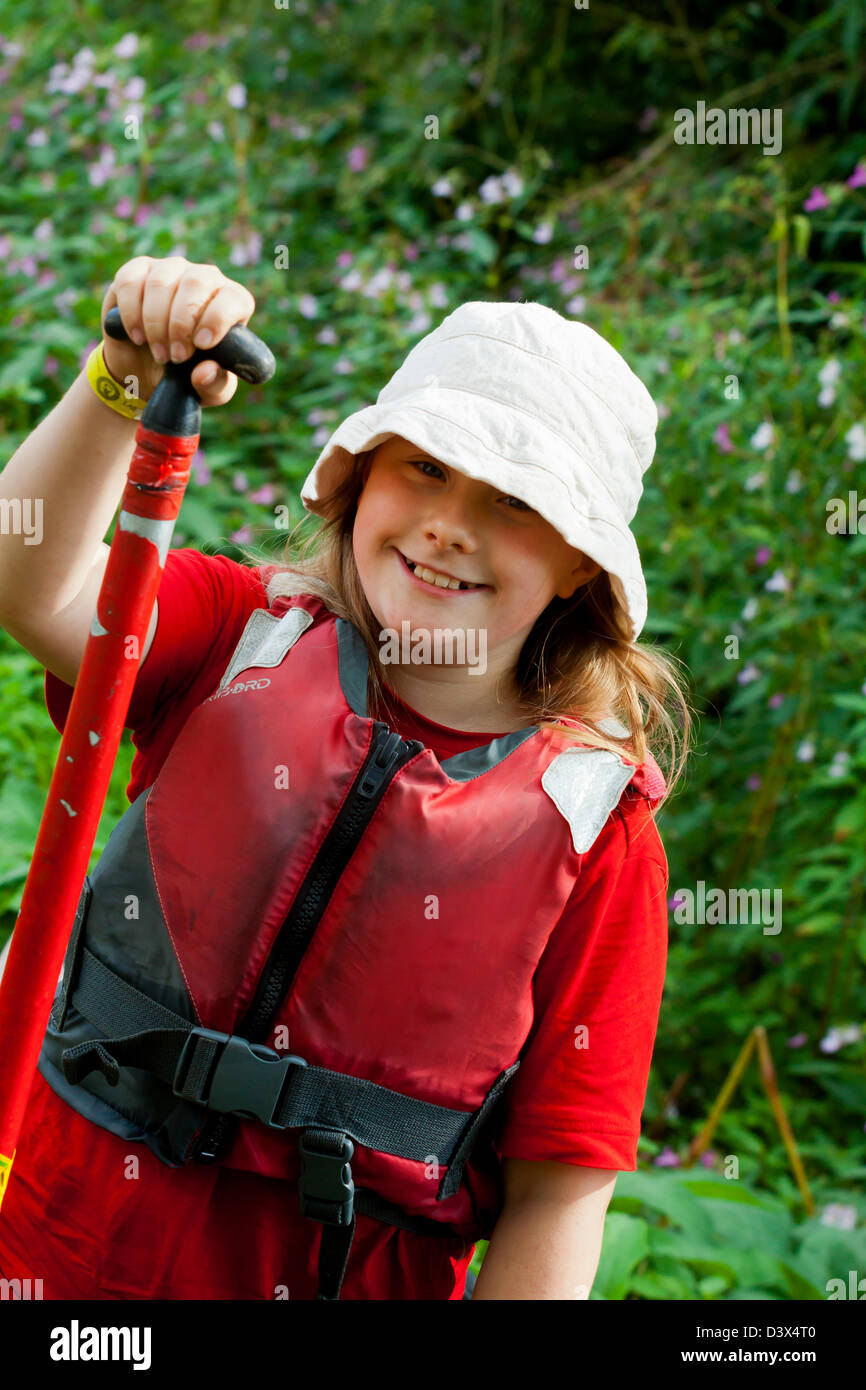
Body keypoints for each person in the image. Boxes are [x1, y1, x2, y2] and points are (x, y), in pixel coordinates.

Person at [0, 257, 691, 1300]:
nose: (448, 523)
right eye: (421, 468)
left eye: (510, 500)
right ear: (357, 478)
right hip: (53, 1250)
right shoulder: (232, 630)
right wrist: (124, 379)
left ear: (579, 567)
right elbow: (32, 583)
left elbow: (559, 1194)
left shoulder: (596, 833)